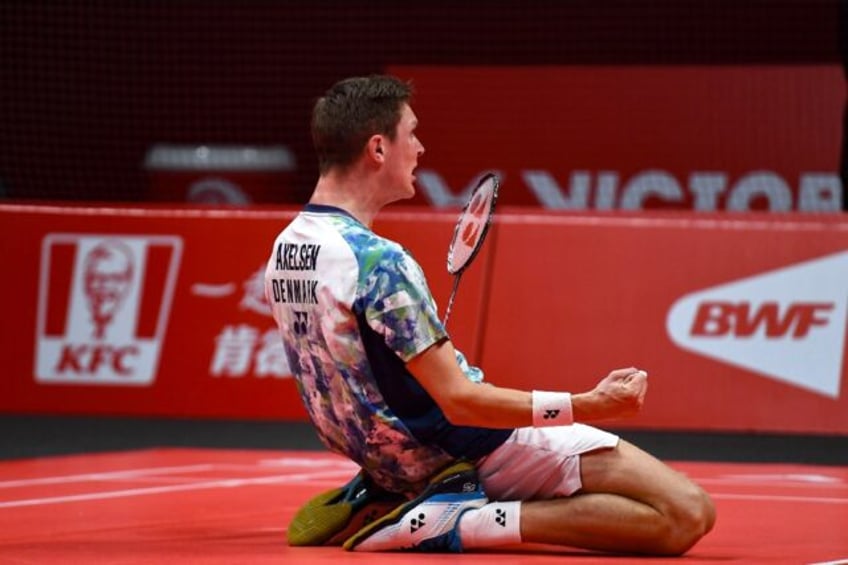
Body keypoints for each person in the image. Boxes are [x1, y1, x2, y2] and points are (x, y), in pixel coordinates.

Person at [264, 74, 715, 555]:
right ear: (378, 148)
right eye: (411, 133)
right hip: (466, 449)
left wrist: (389, 460)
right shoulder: (380, 262)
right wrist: (588, 403)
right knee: (686, 512)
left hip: (386, 457)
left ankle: (391, 492)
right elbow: (460, 401)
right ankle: (461, 521)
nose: (419, 148)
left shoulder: (286, 249)